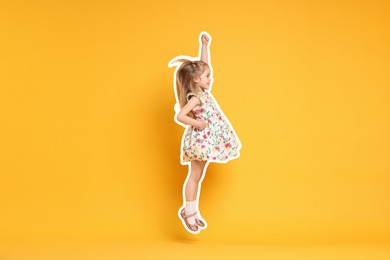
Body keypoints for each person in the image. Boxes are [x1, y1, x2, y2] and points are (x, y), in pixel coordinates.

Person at [168, 32, 242, 234]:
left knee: (198, 176)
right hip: (200, 141)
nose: (211, 79)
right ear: (196, 79)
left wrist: (204, 45)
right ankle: (188, 211)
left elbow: (202, 64)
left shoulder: (203, 92)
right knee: (194, 175)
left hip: (208, 141)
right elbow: (180, 116)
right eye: (208, 76)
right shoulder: (196, 97)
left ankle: (192, 209)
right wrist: (197, 124)